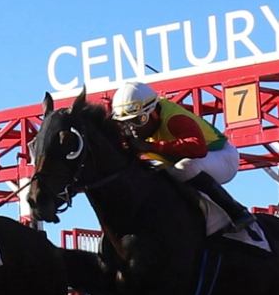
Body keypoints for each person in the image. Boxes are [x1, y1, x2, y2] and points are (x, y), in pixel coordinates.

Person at [110, 80, 260, 239]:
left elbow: (198, 148)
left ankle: (236, 211)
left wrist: (151, 147)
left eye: (139, 120)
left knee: (185, 167)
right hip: (194, 162)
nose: (133, 129)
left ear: (153, 112)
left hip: (222, 156)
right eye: (125, 124)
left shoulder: (175, 118)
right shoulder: (137, 130)